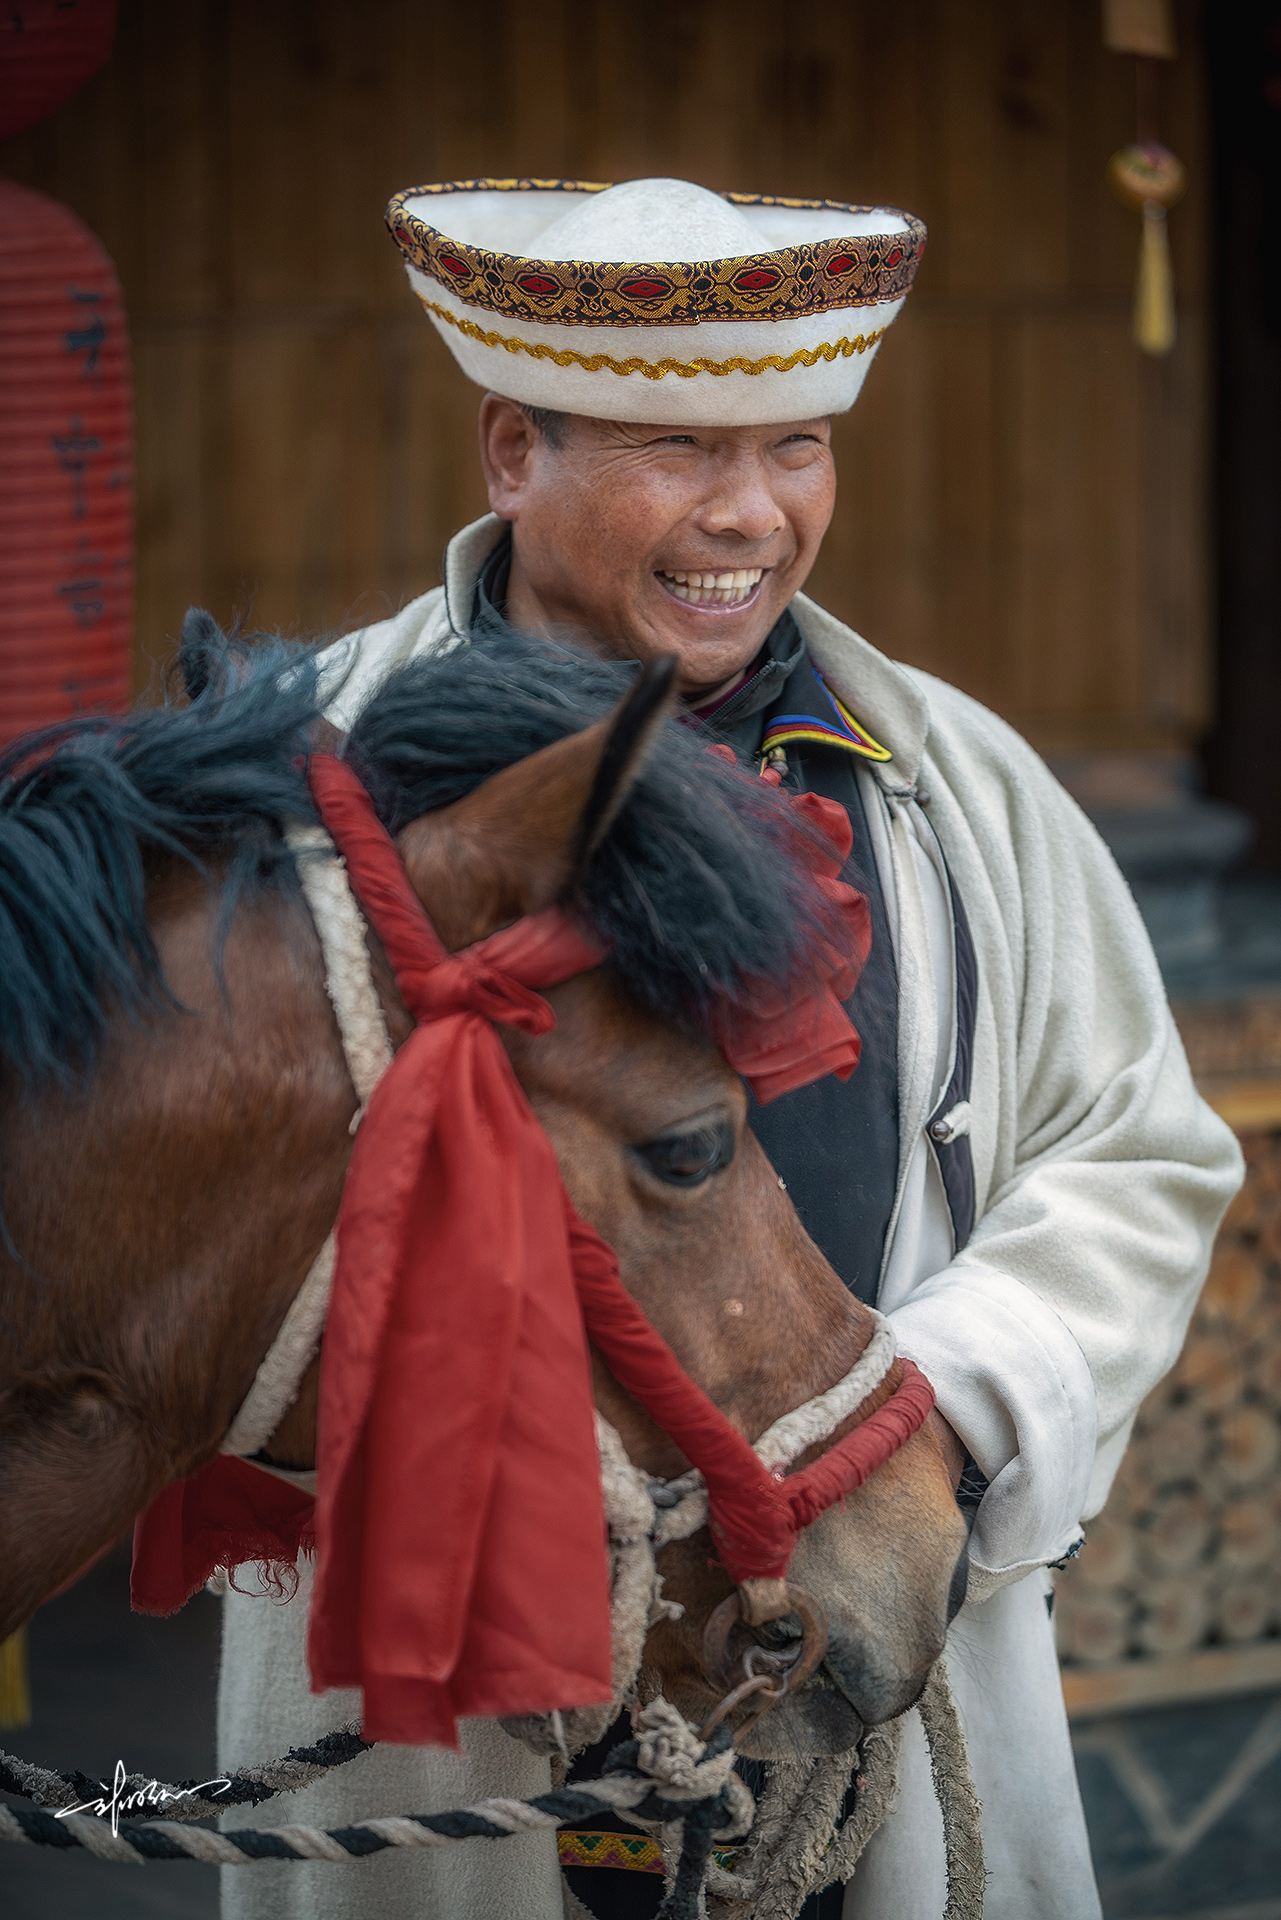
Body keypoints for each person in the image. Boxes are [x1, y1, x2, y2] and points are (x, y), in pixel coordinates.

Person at [217, 176, 1242, 1920]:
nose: (750, 513)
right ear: (507, 451)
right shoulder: (298, 780)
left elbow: (1138, 1151)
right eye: (679, 449)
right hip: (435, 1684)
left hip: (862, 1602)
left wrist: (910, 1421)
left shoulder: (955, 781)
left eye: (794, 446)